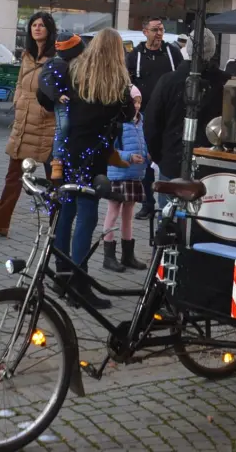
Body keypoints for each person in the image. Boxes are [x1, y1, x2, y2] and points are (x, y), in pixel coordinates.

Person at [41, 28, 135, 311]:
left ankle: (62, 275)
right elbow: (129, 113)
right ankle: (79, 285)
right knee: (88, 215)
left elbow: (48, 99)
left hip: (65, 151)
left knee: (64, 213)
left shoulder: (75, 70)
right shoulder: (118, 81)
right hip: (92, 157)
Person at [0, 13, 58, 238]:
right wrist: (19, 103)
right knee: (13, 175)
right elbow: (21, 84)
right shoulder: (27, 56)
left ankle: (58, 224)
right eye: (34, 25)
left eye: (42, 25)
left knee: (54, 179)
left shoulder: (57, 58)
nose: (37, 28)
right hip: (24, 123)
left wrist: (44, 108)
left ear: (50, 30)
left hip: (47, 126)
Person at [145, 30, 228, 187]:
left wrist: (160, 156)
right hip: (210, 165)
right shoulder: (224, 83)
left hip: (172, 162)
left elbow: (151, 123)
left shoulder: (168, 81)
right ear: (213, 50)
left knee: (169, 209)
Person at [127, 17, 181, 219]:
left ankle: (169, 202)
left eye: (161, 29)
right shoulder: (135, 55)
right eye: (155, 29)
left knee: (166, 157)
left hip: (170, 114)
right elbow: (128, 83)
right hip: (146, 114)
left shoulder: (172, 52)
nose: (159, 33)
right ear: (145, 32)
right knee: (145, 159)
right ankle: (147, 203)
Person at [102, 87, 148, 272]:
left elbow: (142, 143)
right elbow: (111, 151)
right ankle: (109, 255)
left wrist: (147, 154)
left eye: (139, 102)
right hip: (119, 173)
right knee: (113, 211)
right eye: (133, 102)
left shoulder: (139, 122)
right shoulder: (119, 123)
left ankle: (128, 254)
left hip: (135, 174)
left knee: (129, 213)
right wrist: (129, 157)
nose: (136, 106)